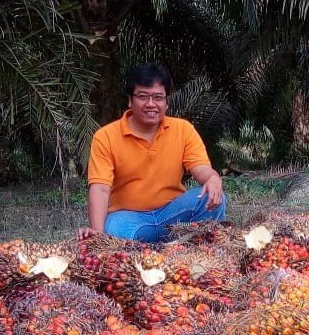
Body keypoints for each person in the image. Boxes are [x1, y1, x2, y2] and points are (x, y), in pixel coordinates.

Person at [77, 63, 226, 242]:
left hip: (173, 214)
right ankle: (155, 252)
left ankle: (200, 251)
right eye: (143, 96)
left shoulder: (183, 129)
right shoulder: (106, 136)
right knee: (113, 231)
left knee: (211, 196)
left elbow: (201, 169)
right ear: (130, 100)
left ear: (166, 102)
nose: (151, 104)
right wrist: (98, 235)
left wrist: (213, 178)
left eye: (158, 97)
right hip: (130, 219)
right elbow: (100, 188)